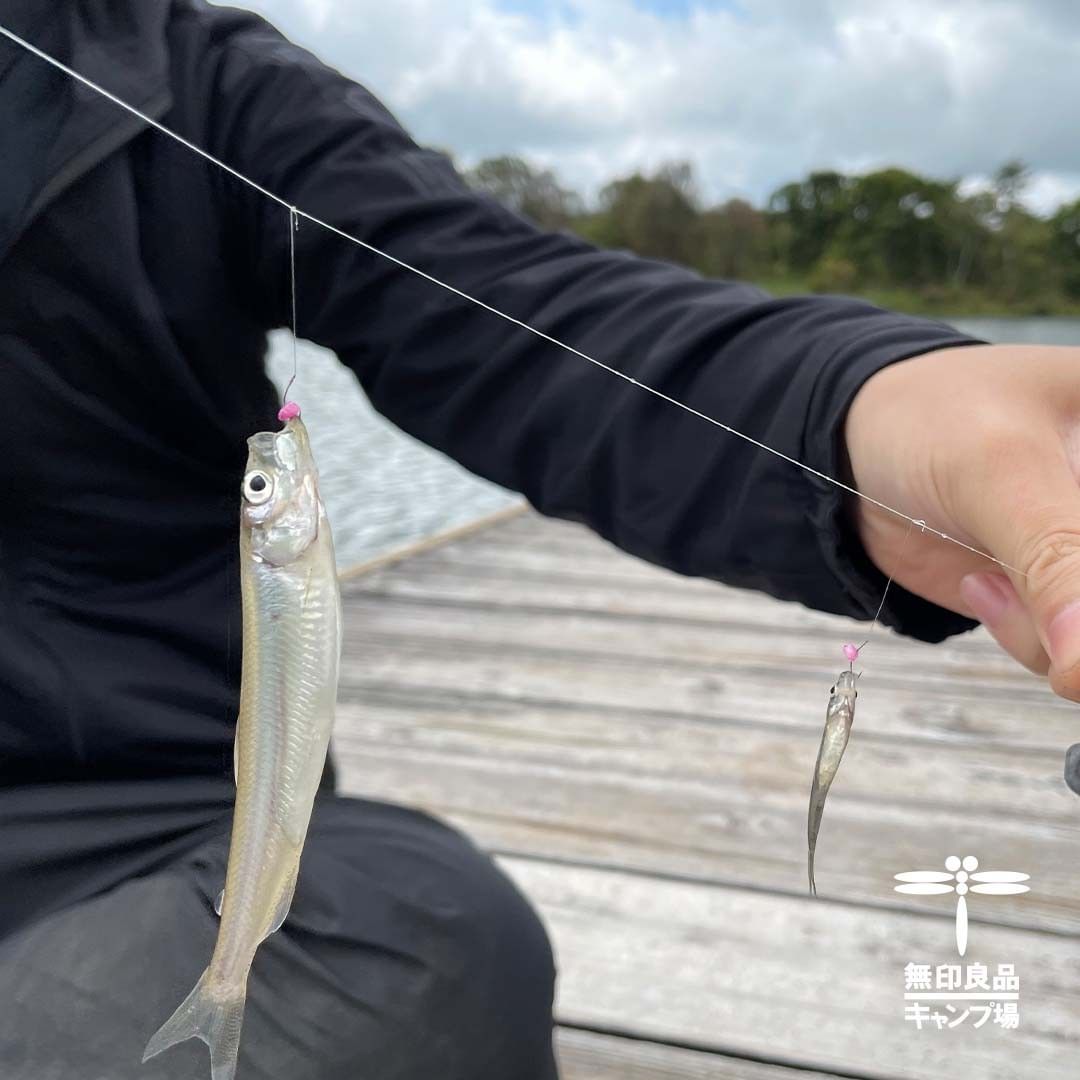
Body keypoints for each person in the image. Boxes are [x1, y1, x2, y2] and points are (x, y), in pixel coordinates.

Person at [2, 1, 1079, 1078]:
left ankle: (221, 974)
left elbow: (519, 320)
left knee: (441, 945)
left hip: (154, 817)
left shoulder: (189, 78)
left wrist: (854, 409)